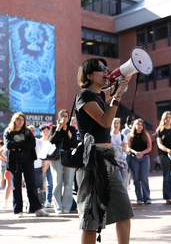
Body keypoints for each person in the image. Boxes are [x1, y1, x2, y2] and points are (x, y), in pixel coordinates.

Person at [75, 57, 133, 244]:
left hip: (109, 159)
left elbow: (123, 80)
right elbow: (106, 121)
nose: (107, 71)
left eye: (107, 68)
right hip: (92, 161)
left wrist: (132, 68)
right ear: (89, 75)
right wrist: (117, 96)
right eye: (101, 69)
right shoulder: (83, 96)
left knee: (124, 210)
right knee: (91, 219)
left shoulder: (100, 95)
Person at [3, 112, 49, 218]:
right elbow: (9, 145)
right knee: (16, 186)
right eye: (18, 119)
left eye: (22, 120)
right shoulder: (9, 132)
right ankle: (17, 210)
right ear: (14, 120)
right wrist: (23, 144)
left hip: (28, 161)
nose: (21, 121)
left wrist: (18, 146)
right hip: (15, 161)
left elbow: (32, 145)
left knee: (32, 185)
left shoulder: (27, 132)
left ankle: (36, 208)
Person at [49, 109, 78, 214]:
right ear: (58, 117)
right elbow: (51, 140)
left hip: (69, 157)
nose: (64, 118)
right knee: (57, 182)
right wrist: (59, 128)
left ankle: (66, 206)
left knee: (69, 182)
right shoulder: (53, 128)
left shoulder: (71, 128)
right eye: (62, 116)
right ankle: (58, 207)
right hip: (57, 157)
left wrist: (68, 131)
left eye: (66, 116)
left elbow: (75, 143)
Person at [127, 118, 152, 205]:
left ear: (143, 126)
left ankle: (147, 198)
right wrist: (135, 152)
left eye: (141, 125)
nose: (139, 126)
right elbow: (128, 147)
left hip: (144, 158)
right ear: (135, 125)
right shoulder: (131, 135)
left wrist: (142, 153)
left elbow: (149, 147)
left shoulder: (146, 135)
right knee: (136, 179)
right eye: (138, 124)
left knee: (144, 178)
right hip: (134, 158)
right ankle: (139, 198)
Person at [28, 125, 47, 204]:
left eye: (34, 130)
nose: (32, 132)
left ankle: (40, 203)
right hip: (28, 167)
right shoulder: (25, 142)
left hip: (38, 167)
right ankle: (30, 204)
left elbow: (43, 156)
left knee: (40, 186)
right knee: (29, 187)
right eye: (30, 130)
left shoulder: (39, 142)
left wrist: (44, 166)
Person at [38, 124, 53, 208]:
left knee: (50, 183)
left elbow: (53, 153)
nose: (46, 133)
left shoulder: (51, 141)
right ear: (40, 133)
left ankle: (48, 200)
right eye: (44, 131)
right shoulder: (38, 142)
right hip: (40, 164)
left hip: (50, 164)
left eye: (47, 131)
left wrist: (48, 163)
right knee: (40, 183)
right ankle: (41, 200)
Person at [1, 141, 12, 209]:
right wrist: (8, 160)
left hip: (20, 166)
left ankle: (19, 202)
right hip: (8, 167)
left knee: (19, 185)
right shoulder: (7, 144)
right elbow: (0, 152)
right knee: (9, 184)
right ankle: (5, 202)